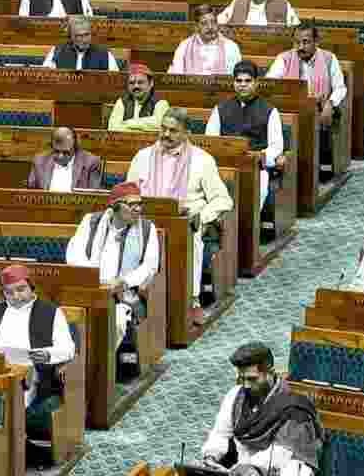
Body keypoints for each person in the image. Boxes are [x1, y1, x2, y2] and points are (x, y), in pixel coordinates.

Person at [128, 108, 234, 312]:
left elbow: (223, 200)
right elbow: (129, 193)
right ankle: (133, 294)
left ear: (186, 133)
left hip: (185, 224)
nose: (166, 134)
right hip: (146, 221)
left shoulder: (202, 160)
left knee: (190, 234)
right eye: (163, 129)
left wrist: (201, 217)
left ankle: (190, 301)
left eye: (173, 131)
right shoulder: (142, 157)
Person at [0, 265, 76, 407]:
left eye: (21, 289)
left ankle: (13, 412)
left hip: (31, 370)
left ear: (32, 287)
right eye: (9, 292)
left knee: (17, 395)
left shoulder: (51, 312)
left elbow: (68, 348)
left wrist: (47, 354)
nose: (16, 296)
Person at [201, 342, 323, 476]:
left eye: (252, 379)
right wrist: (211, 456)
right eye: (242, 379)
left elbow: (281, 452)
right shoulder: (235, 395)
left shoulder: (294, 409)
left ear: (270, 373)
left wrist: (248, 468)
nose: (246, 385)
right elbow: (221, 433)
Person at [65, 183, 160, 350]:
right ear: (115, 206)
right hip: (91, 290)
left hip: (123, 296)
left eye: (140, 204)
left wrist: (123, 282)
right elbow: (74, 255)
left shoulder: (147, 229)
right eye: (132, 204)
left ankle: (101, 361)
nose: (138, 209)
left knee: (115, 320)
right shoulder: (91, 221)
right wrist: (94, 280)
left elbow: (149, 266)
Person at [266, 24, 346, 180]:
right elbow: (271, 83)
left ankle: (323, 168)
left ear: (316, 42)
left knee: (322, 119)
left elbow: (340, 88)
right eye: (297, 42)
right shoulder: (284, 58)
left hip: (319, 107)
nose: (300, 47)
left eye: (305, 42)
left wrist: (330, 103)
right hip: (293, 108)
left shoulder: (329, 59)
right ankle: (293, 171)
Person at [206, 60, 285, 209]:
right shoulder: (220, 109)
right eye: (239, 81)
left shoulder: (270, 111)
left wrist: (258, 157)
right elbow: (211, 141)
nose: (242, 85)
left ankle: (249, 223)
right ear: (233, 82)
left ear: (256, 83)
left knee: (258, 187)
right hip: (225, 164)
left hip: (256, 166)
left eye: (248, 81)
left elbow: (276, 147)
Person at [168, 5, 242, 76]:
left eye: (213, 22)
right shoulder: (184, 47)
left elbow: (236, 77)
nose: (210, 27)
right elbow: (176, 75)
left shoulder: (230, 47)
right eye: (204, 23)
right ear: (196, 27)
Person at [27, 126, 101, 191]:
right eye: (56, 151)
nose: (60, 156)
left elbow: (94, 195)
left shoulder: (90, 162)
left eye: (66, 153)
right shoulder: (39, 161)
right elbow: (31, 192)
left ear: (75, 147)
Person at [107, 63, 170, 133]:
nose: (136, 86)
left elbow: (160, 124)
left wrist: (128, 123)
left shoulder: (160, 102)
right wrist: (145, 128)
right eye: (132, 83)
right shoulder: (122, 101)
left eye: (140, 82)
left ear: (151, 83)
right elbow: (112, 128)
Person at [42, 15, 119, 71]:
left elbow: (115, 80)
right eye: (79, 36)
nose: (84, 40)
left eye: (87, 34)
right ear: (71, 36)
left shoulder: (104, 54)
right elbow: (46, 76)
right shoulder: (58, 51)